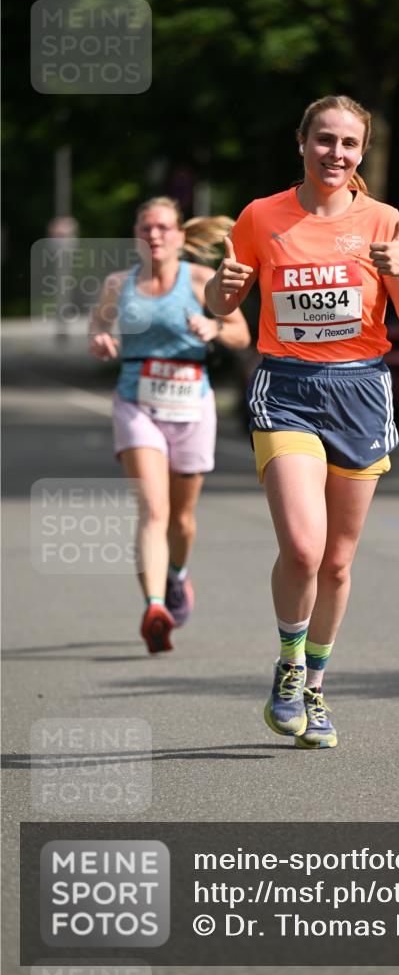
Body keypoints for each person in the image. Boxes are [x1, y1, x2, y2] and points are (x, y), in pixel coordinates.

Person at [206, 95, 399, 748]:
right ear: (301, 142)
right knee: (303, 548)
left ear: (361, 153)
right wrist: (220, 290)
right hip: (286, 389)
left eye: (348, 144)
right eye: (324, 140)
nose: (335, 153)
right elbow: (223, 300)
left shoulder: (384, 221)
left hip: (360, 392)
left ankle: (314, 685)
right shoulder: (261, 216)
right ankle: (286, 667)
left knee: (336, 563)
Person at [89, 196, 250, 654]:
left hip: (192, 405)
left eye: (163, 228)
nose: (154, 235)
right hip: (136, 403)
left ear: (180, 236)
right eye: (146, 228)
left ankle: (177, 576)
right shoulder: (118, 284)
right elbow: (96, 330)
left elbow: (242, 334)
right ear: (136, 235)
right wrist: (101, 341)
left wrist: (214, 330)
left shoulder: (200, 280)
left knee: (181, 517)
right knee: (153, 511)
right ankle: (155, 607)